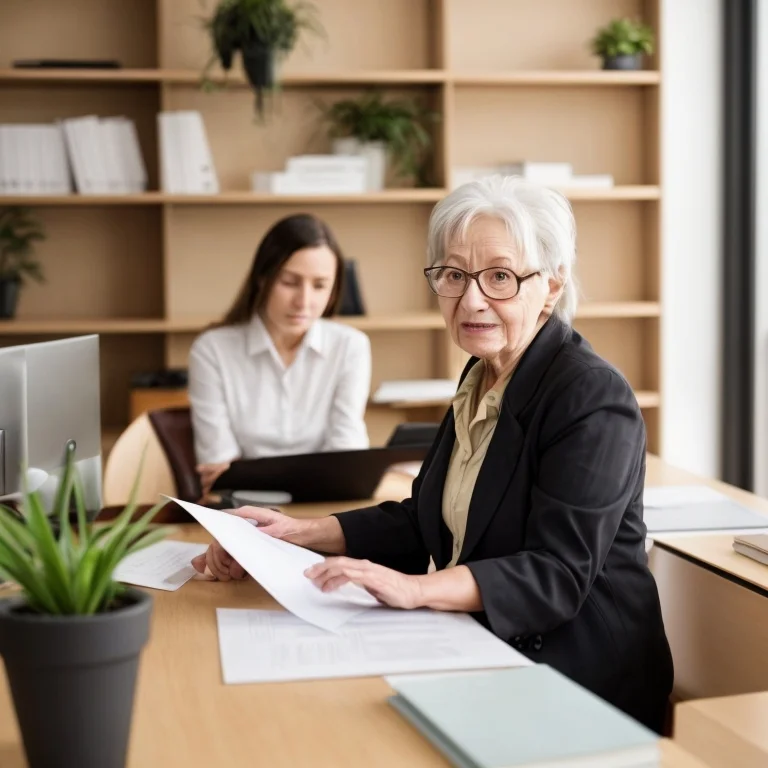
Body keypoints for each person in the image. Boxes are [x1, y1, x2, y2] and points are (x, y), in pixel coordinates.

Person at [191, 177, 674, 733]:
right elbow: (424, 520)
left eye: (500, 276)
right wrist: (294, 532)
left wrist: (414, 589)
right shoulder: (482, 373)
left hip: (579, 672)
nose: (471, 300)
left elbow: (555, 575)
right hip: (483, 641)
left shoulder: (591, 397)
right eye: (454, 275)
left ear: (552, 284)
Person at [188, 213, 372, 498]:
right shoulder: (212, 350)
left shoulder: (351, 347)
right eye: (289, 282)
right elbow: (220, 471)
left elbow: (347, 460)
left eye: (320, 285)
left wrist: (252, 474)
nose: (304, 301)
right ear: (263, 277)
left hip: (325, 509)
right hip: (246, 512)